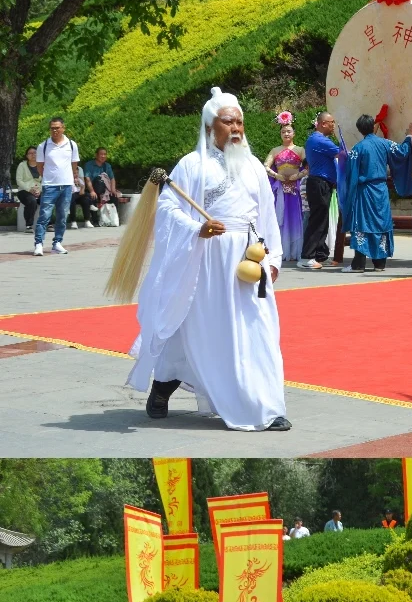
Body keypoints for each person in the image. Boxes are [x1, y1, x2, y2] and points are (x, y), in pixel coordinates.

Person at [127, 88, 290, 430]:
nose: (236, 128)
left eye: (240, 122)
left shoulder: (254, 168)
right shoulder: (191, 164)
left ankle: (265, 407)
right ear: (210, 125)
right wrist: (196, 227)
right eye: (228, 121)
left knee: (256, 329)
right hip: (206, 259)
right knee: (196, 329)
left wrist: (273, 258)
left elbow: (266, 216)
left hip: (248, 258)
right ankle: (162, 388)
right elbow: (168, 208)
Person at [344, 113, 412, 271]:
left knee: (362, 223)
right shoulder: (385, 143)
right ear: (373, 126)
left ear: (360, 130)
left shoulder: (357, 149)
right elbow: (402, 152)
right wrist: (410, 135)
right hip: (381, 190)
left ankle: (358, 264)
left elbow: (351, 174)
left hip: (365, 191)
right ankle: (379, 264)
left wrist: (349, 194)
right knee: (381, 223)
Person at [299, 111, 346, 270]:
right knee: (317, 221)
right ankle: (307, 257)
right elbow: (342, 153)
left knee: (322, 220)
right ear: (323, 123)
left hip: (322, 183)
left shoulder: (317, 139)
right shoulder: (319, 140)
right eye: (331, 122)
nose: (333, 125)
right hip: (318, 183)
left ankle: (320, 255)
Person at [33, 115, 80, 256]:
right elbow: (40, 167)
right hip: (49, 185)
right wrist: (48, 178)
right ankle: (39, 244)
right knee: (44, 216)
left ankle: (57, 243)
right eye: (52, 128)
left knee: (62, 216)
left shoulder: (71, 145)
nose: (55, 131)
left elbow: (74, 165)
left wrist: (71, 179)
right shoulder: (44, 146)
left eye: (57, 128)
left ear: (63, 128)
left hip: (66, 185)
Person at [263, 111, 305, 264]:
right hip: (281, 189)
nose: (286, 133)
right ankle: (282, 249)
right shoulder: (275, 150)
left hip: (296, 189)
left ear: (294, 133)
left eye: (289, 131)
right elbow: (265, 166)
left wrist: (297, 176)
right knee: (281, 218)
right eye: (283, 132)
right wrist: (277, 176)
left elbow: (308, 167)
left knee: (296, 217)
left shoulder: (300, 150)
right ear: (280, 134)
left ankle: (296, 249)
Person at [83, 146, 123, 227]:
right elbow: (87, 179)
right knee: (93, 197)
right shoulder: (89, 165)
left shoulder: (107, 166)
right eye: (101, 154)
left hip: (105, 190)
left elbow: (112, 179)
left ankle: (114, 219)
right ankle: (95, 220)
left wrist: (113, 190)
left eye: (105, 154)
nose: (103, 156)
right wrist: (92, 191)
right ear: (96, 155)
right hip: (93, 188)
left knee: (114, 196)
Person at [16, 145, 42, 231]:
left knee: (47, 200)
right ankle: (29, 225)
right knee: (31, 201)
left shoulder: (42, 166)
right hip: (24, 190)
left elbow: (45, 181)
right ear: (27, 156)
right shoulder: (22, 165)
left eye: (35, 153)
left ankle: (48, 224)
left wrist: (39, 190)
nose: (33, 155)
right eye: (30, 153)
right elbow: (19, 181)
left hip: (39, 190)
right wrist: (29, 189)